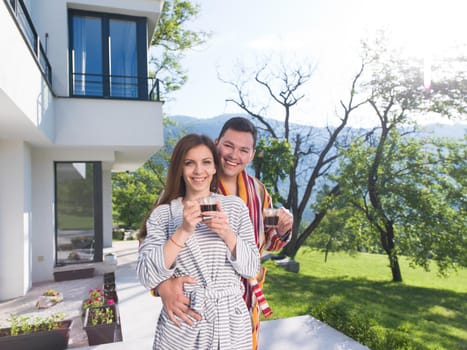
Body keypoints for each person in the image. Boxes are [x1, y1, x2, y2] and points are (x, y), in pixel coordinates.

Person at [153, 117, 293, 350]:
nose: (233, 155)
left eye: (243, 150)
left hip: (242, 300)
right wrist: (163, 285)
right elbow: (150, 244)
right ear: (217, 143)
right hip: (196, 304)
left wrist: (281, 230)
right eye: (228, 145)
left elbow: (266, 240)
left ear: (251, 154)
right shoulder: (191, 183)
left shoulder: (259, 191)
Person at [137, 133, 260, 350]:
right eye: (189, 163)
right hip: (184, 323)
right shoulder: (163, 215)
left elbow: (251, 268)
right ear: (180, 169)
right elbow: (147, 275)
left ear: (214, 167)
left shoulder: (235, 207)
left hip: (231, 323)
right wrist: (183, 231)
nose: (199, 171)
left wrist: (227, 233)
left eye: (206, 162)